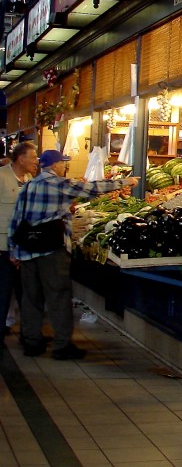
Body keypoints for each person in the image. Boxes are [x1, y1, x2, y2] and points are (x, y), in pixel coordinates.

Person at [8, 149, 139, 360]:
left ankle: (31, 342)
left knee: (31, 298)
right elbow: (92, 188)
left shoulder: (28, 185)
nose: (65, 167)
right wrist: (126, 182)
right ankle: (62, 345)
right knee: (58, 296)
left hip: (27, 250)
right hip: (52, 250)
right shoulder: (59, 184)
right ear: (55, 165)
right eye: (63, 163)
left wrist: (14, 250)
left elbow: (15, 220)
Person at [0, 142, 38, 337]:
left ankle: (29, 335)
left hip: (25, 247)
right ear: (21, 158)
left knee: (26, 293)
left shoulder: (30, 179)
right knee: (3, 293)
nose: (36, 161)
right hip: (3, 247)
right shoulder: (1, 177)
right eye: (33, 157)